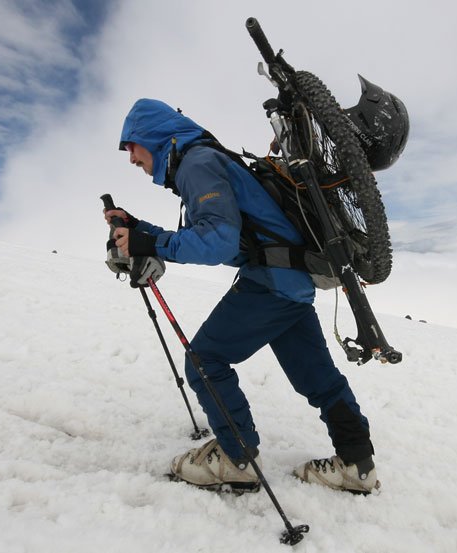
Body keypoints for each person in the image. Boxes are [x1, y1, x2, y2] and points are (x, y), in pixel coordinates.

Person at [104, 98, 379, 494]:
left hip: (270, 282)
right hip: (292, 283)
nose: (130, 156)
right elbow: (232, 238)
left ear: (152, 136)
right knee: (319, 380)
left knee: (205, 360)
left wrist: (151, 243)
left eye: (130, 144)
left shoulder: (197, 164)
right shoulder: (206, 161)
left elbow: (216, 243)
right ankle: (358, 465)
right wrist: (141, 231)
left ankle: (237, 459)